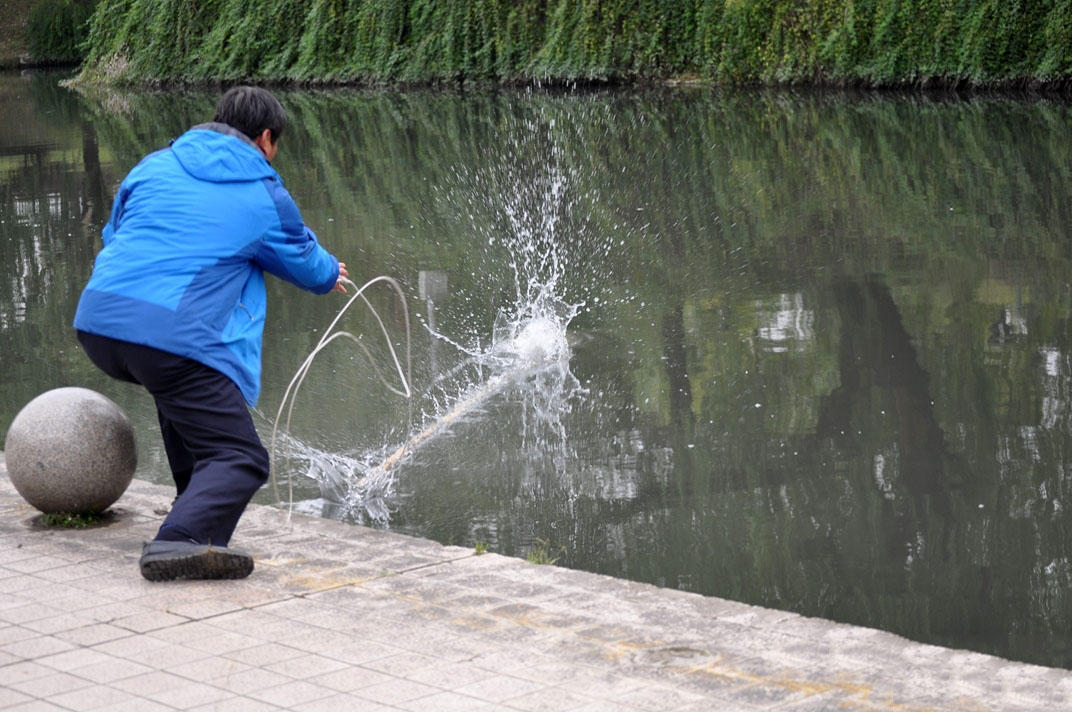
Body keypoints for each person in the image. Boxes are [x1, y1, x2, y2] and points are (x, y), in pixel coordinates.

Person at [73, 86, 348, 581]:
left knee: (180, 390)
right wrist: (331, 273)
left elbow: (115, 236)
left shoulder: (153, 165)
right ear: (266, 139)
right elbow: (305, 264)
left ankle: (192, 508)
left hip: (99, 321)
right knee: (241, 456)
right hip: (169, 336)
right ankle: (179, 540)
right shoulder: (263, 189)